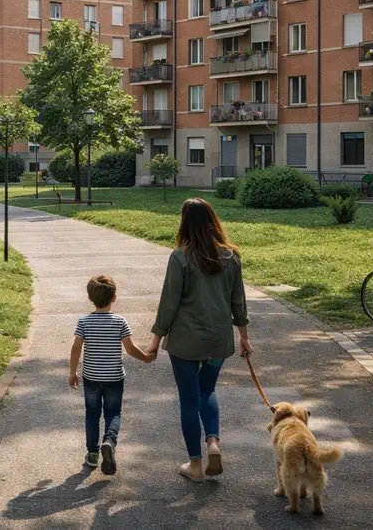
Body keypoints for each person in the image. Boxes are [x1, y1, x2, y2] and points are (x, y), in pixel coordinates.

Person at [141, 198, 251, 482]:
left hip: (185, 342)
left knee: (189, 399)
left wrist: (155, 340)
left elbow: (169, 304)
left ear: (185, 222)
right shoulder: (232, 256)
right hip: (218, 340)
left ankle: (196, 465)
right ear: (213, 221)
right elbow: (238, 302)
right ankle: (213, 441)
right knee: (207, 391)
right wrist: (244, 338)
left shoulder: (180, 257)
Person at [69, 275, 150, 475]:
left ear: (90, 298)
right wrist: (147, 357)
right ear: (114, 298)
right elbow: (130, 349)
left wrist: (73, 372)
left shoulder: (84, 322)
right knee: (113, 413)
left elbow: (76, 348)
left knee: (92, 414)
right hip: (114, 377)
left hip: (91, 377)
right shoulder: (120, 321)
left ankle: (92, 454)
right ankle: (109, 441)